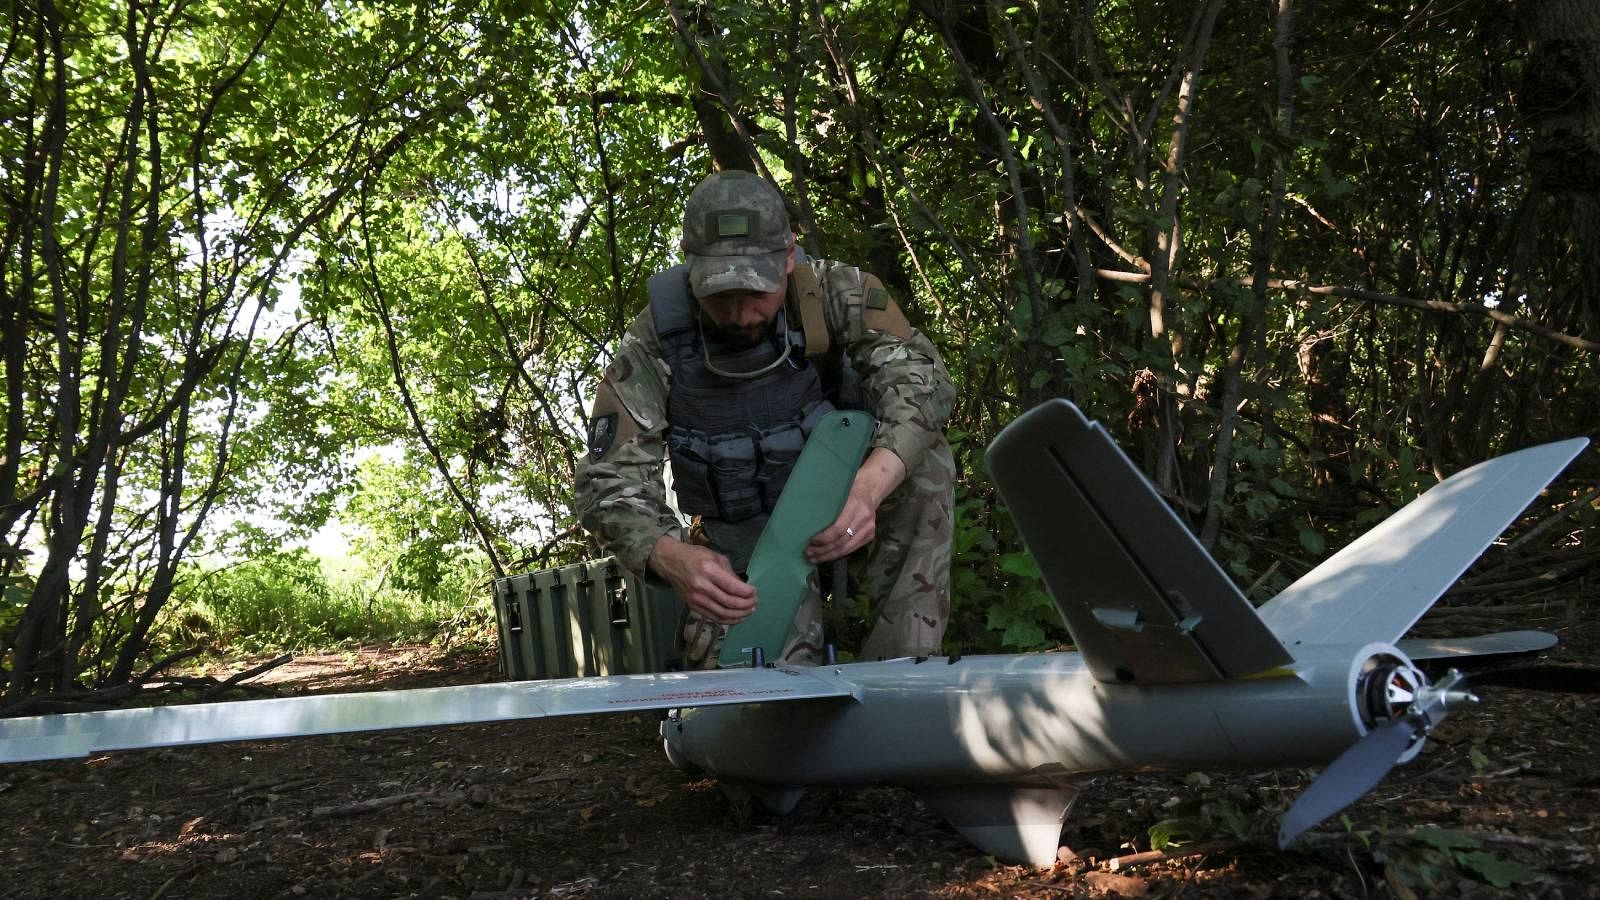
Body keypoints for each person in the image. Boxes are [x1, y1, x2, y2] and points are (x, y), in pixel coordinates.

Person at [574, 169, 956, 667]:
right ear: (690, 269)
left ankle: (907, 678)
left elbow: (923, 383)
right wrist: (671, 557)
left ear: (789, 257)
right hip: (744, 538)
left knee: (925, 470)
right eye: (719, 296)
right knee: (755, 704)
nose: (740, 314)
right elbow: (607, 481)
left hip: (847, 499)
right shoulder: (654, 342)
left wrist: (867, 489)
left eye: (756, 292)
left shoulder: (836, 292)